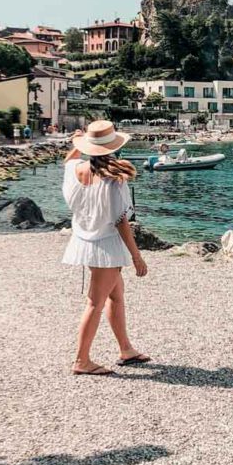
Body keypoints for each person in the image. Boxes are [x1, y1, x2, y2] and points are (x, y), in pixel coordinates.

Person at [62, 120, 151, 376]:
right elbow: (121, 221)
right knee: (95, 303)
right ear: (113, 147)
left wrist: (77, 144)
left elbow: (69, 159)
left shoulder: (74, 170)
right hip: (106, 246)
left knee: (116, 296)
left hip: (85, 242)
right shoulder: (115, 181)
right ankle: (81, 360)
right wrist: (136, 257)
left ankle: (126, 349)